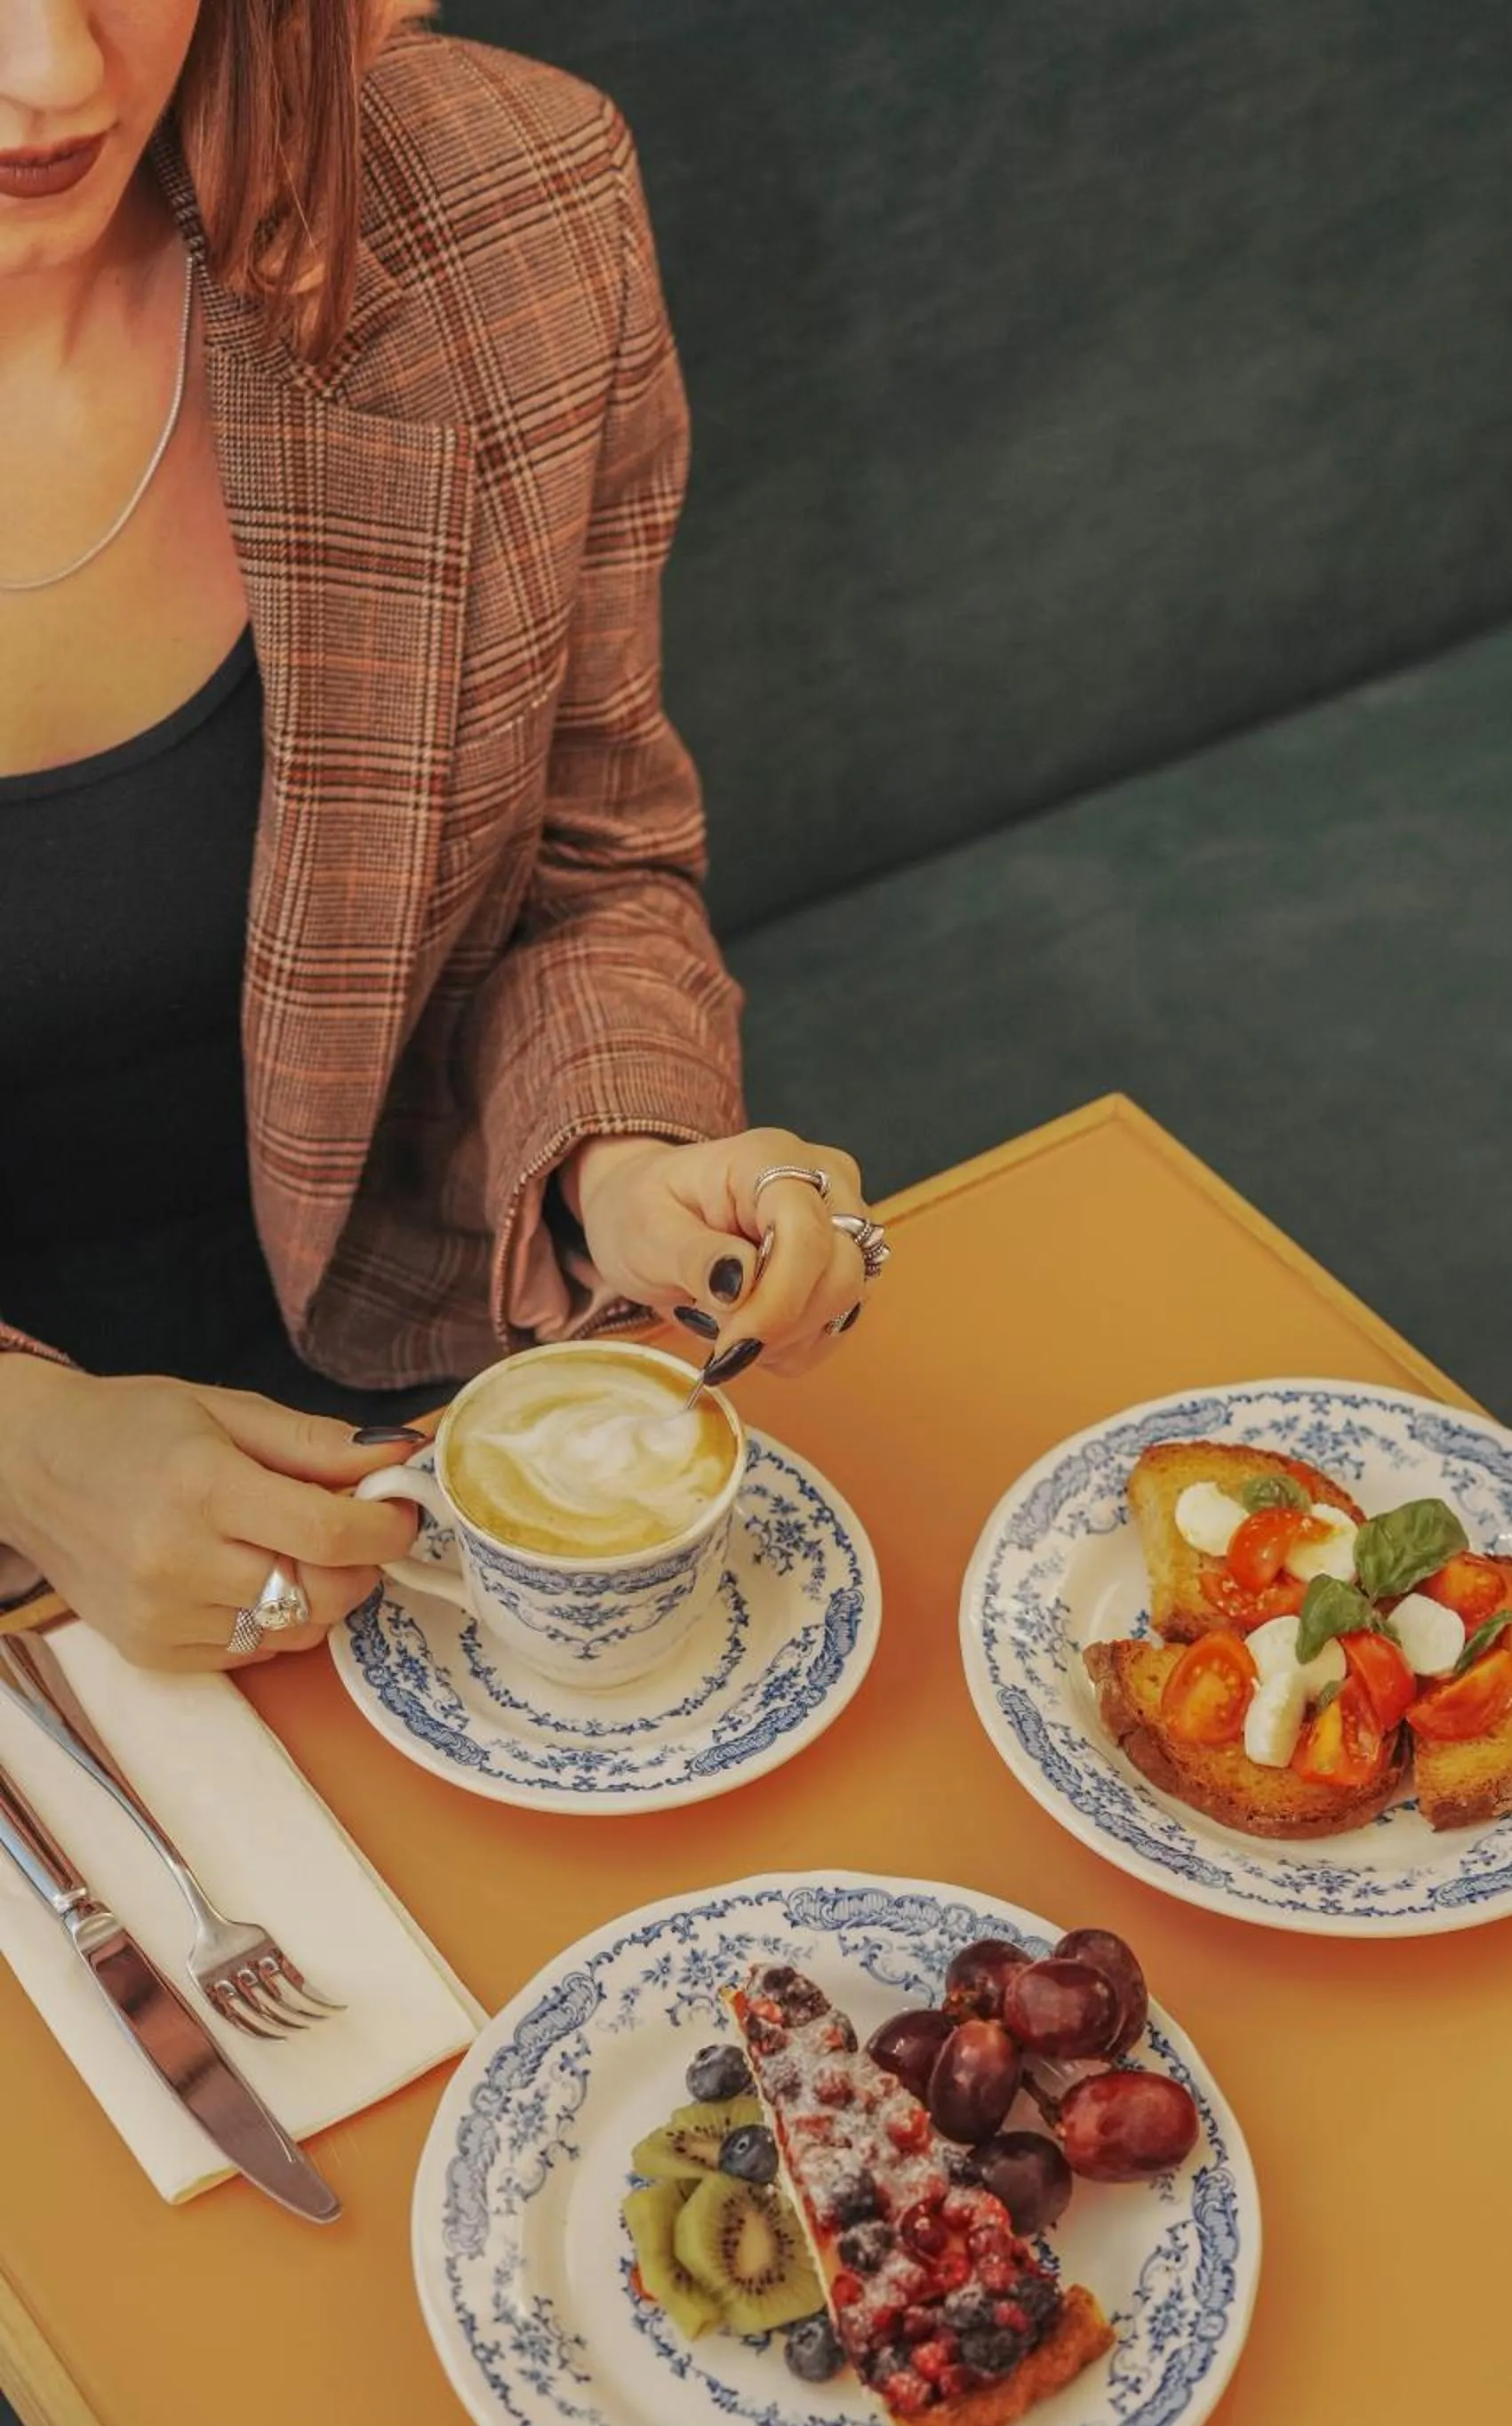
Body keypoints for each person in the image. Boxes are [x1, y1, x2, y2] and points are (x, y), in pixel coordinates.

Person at [0, 1, 882, 1672]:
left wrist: (622, 1159)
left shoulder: (501, 206)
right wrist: (21, 1441)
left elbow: (583, 867)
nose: (54, 72)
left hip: (417, 1404)